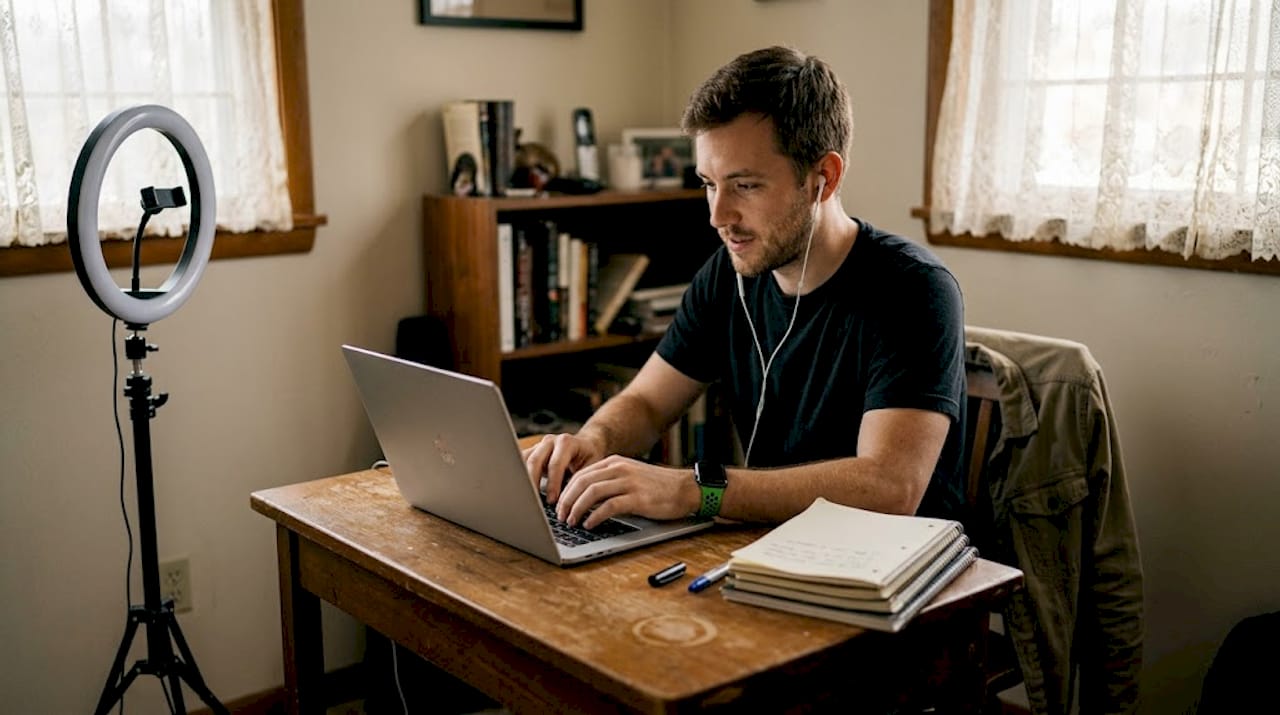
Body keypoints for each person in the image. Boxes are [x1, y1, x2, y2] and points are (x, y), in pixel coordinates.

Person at [524, 45, 966, 530]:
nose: (718, 217)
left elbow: (889, 486)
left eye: (746, 186)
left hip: (893, 577)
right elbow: (648, 403)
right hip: (769, 553)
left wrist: (694, 491)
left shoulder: (914, 290)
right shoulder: (727, 274)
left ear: (825, 178)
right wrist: (593, 441)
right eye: (709, 184)